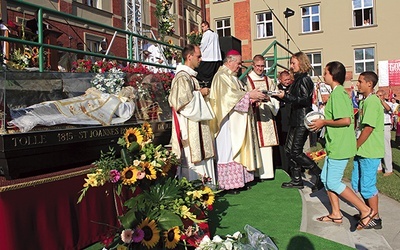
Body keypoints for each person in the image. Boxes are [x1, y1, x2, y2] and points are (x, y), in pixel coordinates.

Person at [310, 61, 373, 230]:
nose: (324, 75)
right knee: (325, 179)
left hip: (340, 146)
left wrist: (323, 122)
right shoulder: (337, 94)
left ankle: (365, 210)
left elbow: (345, 120)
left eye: (325, 72)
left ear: (333, 75)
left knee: (333, 182)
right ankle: (336, 214)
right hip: (334, 145)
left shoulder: (338, 94)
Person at [209, 49, 265, 194]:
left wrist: (253, 98)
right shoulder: (221, 76)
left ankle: (240, 180)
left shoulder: (233, 77)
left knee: (237, 148)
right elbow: (227, 98)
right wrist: (249, 95)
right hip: (226, 121)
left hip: (237, 120)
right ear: (230, 61)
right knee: (228, 150)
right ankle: (228, 184)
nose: (240, 66)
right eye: (239, 63)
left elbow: (238, 95)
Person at [274, 51, 323, 191]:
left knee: (296, 151)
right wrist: (282, 96)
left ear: (301, 63)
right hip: (295, 119)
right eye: (291, 63)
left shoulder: (304, 79)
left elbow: (304, 100)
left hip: (302, 119)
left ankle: (319, 174)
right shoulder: (297, 79)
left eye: (293, 63)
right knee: (289, 150)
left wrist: (286, 97)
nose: (291, 66)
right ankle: (297, 179)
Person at [168, 44, 216, 186]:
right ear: (189, 57)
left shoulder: (190, 76)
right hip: (190, 127)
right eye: (198, 56)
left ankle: (206, 186)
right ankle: (194, 187)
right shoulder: (182, 77)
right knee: (192, 156)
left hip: (197, 125)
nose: (201, 59)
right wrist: (200, 93)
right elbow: (183, 103)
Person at [8, 86, 136, 133]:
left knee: (61, 116)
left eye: (129, 89)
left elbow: (118, 108)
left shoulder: (127, 104)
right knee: (57, 104)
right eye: (126, 87)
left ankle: (30, 118)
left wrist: (99, 94)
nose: (126, 89)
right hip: (82, 103)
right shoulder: (116, 96)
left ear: (131, 95)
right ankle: (26, 112)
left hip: (87, 113)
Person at [352, 71, 384, 229]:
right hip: (362, 151)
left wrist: (356, 144)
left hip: (370, 151)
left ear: (369, 84)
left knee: (367, 185)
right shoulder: (364, 101)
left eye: (360, 81)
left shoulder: (372, 102)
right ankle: (367, 211)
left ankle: (375, 217)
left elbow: (368, 128)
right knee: (358, 182)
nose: (358, 84)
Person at [245, 54, 279, 180]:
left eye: (262, 66)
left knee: (267, 144)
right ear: (253, 66)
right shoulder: (247, 80)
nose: (260, 69)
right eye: (258, 66)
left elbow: (275, 95)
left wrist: (269, 98)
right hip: (253, 114)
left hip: (267, 115)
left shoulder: (268, 80)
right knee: (254, 142)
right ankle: (255, 173)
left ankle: (267, 173)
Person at [274, 70, 292, 173]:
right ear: (280, 80)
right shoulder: (276, 89)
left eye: (289, 79)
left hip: (290, 118)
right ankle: (283, 165)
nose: (287, 82)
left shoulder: (292, 88)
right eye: (285, 80)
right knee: (282, 143)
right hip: (281, 118)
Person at [196, 21, 222, 88]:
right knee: (213, 77)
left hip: (208, 58)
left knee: (200, 72)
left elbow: (203, 45)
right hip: (216, 58)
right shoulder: (215, 34)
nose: (202, 28)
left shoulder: (207, 34)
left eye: (203, 26)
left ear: (207, 26)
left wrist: (199, 53)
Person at [376, 90, 393, 176]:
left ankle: (388, 169)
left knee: (386, 148)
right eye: (377, 95)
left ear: (384, 96)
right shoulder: (375, 105)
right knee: (377, 147)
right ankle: (378, 167)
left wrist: (381, 101)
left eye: (380, 95)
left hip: (385, 126)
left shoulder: (388, 103)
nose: (378, 97)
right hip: (377, 127)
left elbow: (389, 109)